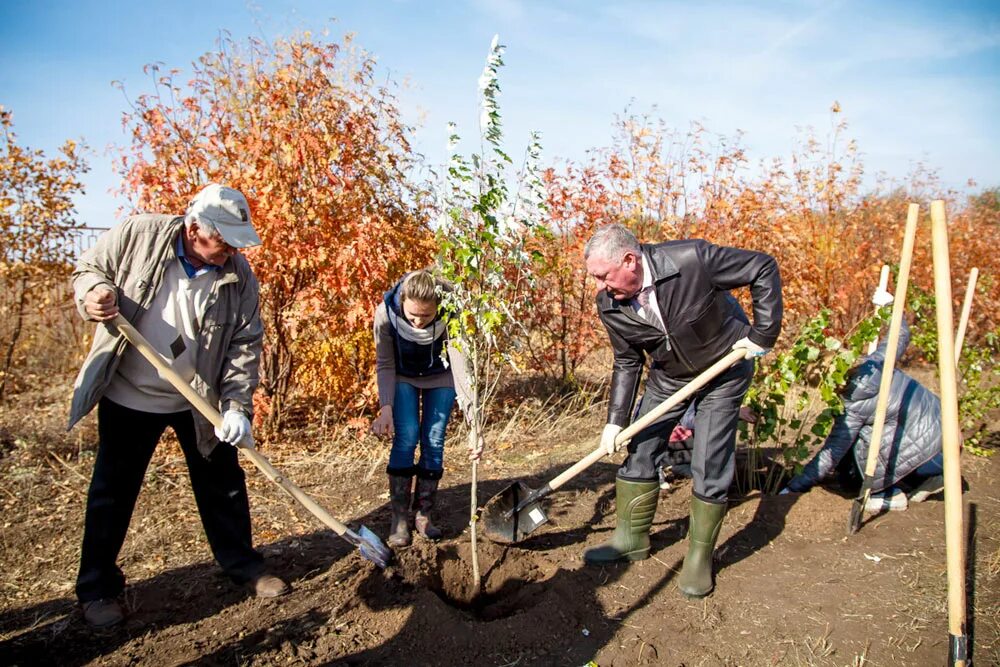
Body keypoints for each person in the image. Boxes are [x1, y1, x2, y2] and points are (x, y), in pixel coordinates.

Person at [67, 184, 288, 629]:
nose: (229, 253)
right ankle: (96, 589)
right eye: (222, 242)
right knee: (112, 490)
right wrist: (93, 293)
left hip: (199, 401)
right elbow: (88, 269)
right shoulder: (138, 235)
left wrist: (237, 409)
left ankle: (243, 565)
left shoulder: (238, 274)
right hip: (129, 392)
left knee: (223, 483)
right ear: (193, 229)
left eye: (234, 243)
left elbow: (245, 344)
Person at [582, 223, 782, 599]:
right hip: (669, 376)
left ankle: (699, 557)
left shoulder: (692, 260)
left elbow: (762, 267)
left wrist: (764, 335)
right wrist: (615, 422)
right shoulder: (609, 303)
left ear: (630, 260)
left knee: (710, 458)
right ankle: (631, 538)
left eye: (603, 276)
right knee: (641, 447)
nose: (600, 286)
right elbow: (627, 362)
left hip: (725, 368)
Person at [783, 305, 944, 511]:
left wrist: (794, 486)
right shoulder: (874, 363)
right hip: (946, 445)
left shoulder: (854, 406)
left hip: (926, 459)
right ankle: (928, 480)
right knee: (891, 430)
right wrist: (890, 305)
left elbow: (831, 454)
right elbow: (901, 333)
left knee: (853, 452)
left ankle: (885, 495)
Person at [370, 270, 477, 548]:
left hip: (439, 376)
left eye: (426, 316)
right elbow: (385, 363)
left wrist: (471, 412)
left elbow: (459, 360)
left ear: (438, 308)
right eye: (412, 315)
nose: (418, 322)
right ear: (403, 300)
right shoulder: (385, 313)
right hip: (402, 376)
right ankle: (399, 518)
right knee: (407, 435)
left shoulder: (451, 312)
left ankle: (424, 514)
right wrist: (386, 407)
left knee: (434, 438)